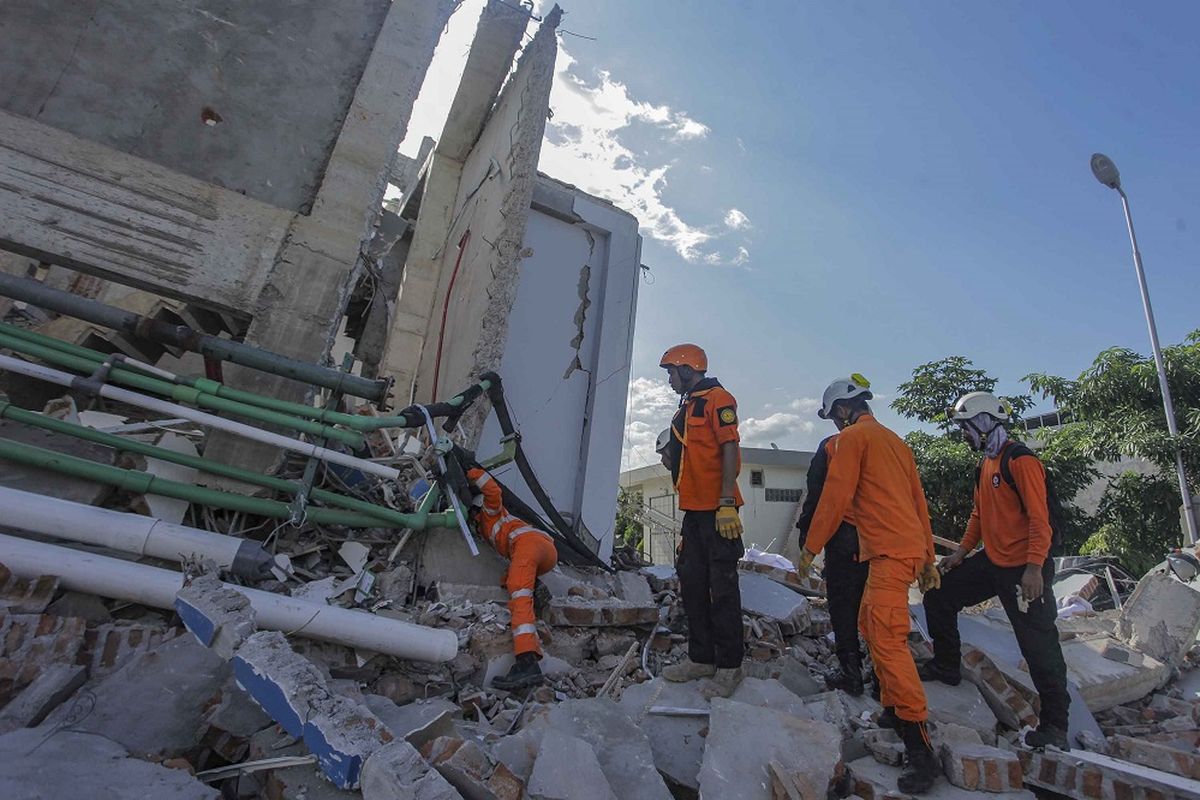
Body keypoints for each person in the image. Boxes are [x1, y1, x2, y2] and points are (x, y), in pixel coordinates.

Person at [794, 375, 942, 795]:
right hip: (902, 549)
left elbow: (834, 498)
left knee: (886, 638)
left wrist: (809, 547)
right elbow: (918, 502)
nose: (834, 425)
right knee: (868, 623)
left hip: (889, 553)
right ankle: (894, 711)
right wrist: (928, 558)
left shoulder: (851, 441)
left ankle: (920, 750)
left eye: (833, 417)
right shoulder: (895, 441)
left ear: (843, 410)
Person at [920, 392, 1071, 750]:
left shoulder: (1020, 460)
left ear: (984, 423)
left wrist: (1034, 568)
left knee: (1038, 646)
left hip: (1024, 568)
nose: (964, 435)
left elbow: (1040, 519)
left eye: (966, 428)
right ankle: (945, 666)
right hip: (993, 560)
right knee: (940, 594)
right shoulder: (986, 463)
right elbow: (979, 515)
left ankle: (1055, 726)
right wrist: (960, 552)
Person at [656, 343, 746, 699]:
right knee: (692, 583)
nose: (669, 381)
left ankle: (730, 667)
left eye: (671, 373)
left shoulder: (719, 399)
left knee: (722, 588)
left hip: (718, 511)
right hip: (695, 512)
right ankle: (701, 658)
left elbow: (729, 448)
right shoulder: (690, 404)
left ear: (688, 370)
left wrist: (726, 502)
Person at [465, 465, 559, 690]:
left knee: (518, 592)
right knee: (515, 582)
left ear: (477, 511)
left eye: (472, 516)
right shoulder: (500, 523)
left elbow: (493, 491)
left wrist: (470, 472)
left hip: (528, 547)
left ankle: (527, 662)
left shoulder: (490, 512)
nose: (473, 522)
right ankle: (535, 590)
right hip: (545, 553)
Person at [796, 429, 869, 696]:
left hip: (846, 535)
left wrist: (806, 536)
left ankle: (851, 674)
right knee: (875, 610)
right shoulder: (883, 445)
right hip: (879, 538)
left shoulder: (831, 446)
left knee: (842, 606)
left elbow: (818, 495)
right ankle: (884, 679)